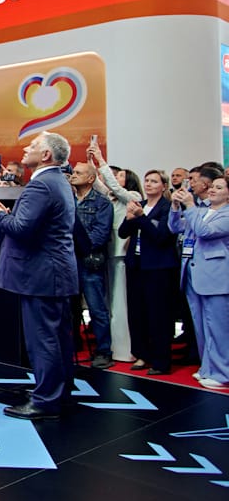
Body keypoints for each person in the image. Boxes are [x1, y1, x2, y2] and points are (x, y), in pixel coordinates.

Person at [0, 131, 78, 420]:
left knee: (43, 339)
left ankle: (46, 400)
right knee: (56, 337)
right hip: (53, 272)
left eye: (33, 145)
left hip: (42, 274)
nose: (25, 148)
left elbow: (22, 229)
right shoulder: (57, 181)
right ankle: (57, 392)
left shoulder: (42, 185)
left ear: (46, 155)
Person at [170, 175, 229, 389]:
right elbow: (175, 227)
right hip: (194, 275)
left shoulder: (226, 214)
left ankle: (223, 373)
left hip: (217, 277)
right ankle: (208, 368)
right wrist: (175, 207)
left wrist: (190, 205)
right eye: (212, 186)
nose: (212, 190)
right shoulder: (202, 211)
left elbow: (204, 232)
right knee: (201, 327)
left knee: (218, 328)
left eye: (219, 187)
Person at [119, 169, 179, 375]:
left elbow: (161, 236)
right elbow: (122, 233)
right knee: (137, 312)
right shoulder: (140, 204)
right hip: (136, 265)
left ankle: (161, 360)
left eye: (154, 181)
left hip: (158, 267)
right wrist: (129, 218)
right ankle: (141, 354)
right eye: (147, 180)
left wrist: (141, 217)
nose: (149, 184)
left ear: (164, 186)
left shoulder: (167, 207)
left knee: (158, 314)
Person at [86, 143, 142, 363]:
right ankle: (113, 346)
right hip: (107, 254)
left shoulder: (133, 196)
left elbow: (114, 188)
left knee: (120, 304)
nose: (114, 179)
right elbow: (98, 185)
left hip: (121, 255)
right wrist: (91, 163)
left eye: (120, 176)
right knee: (109, 303)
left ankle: (125, 349)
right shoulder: (110, 199)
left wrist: (101, 160)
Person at [68, 161, 114, 368]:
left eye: (78, 173)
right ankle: (73, 343)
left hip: (89, 261)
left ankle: (104, 351)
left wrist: (77, 246)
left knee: (97, 309)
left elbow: (100, 235)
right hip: (68, 260)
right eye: (73, 172)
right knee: (70, 308)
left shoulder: (102, 203)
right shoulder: (67, 200)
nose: (73, 175)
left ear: (90, 178)